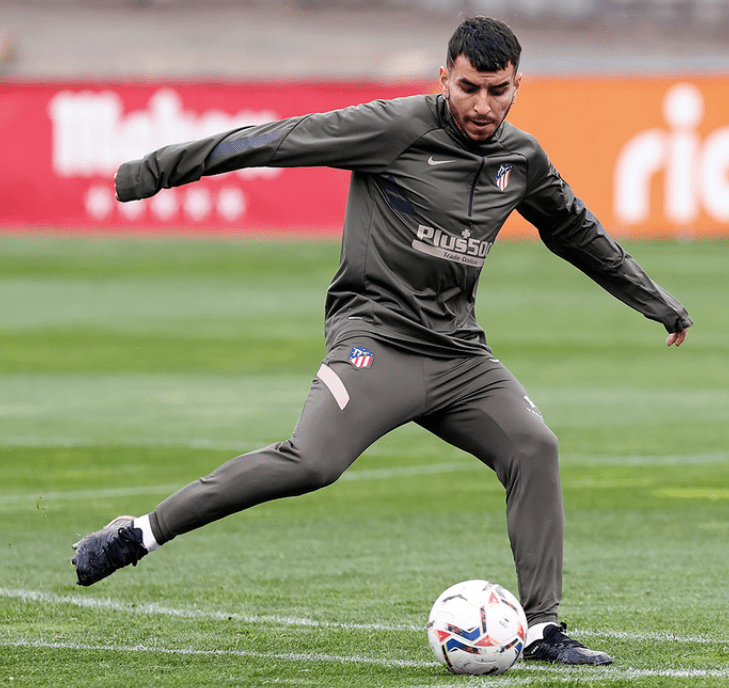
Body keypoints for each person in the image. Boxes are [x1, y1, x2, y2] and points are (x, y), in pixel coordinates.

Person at [71, 16, 692, 666]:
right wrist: (155, 171)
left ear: (517, 86)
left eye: (498, 90)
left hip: (459, 355)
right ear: (444, 78)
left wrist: (658, 304)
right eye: (469, 88)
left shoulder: (521, 159)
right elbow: (277, 140)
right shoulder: (394, 128)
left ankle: (542, 630)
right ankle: (139, 534)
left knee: (535, 448)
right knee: (312, 463)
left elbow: (577, 232)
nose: (483, 105)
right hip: (376, 342)